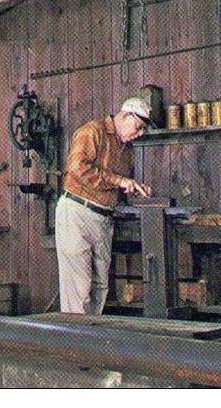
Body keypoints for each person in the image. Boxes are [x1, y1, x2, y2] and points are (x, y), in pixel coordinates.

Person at [56, 96, 153, 314]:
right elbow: (77, 168)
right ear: (126, 115)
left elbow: (115, 182)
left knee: (100, 287)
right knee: (78, 289)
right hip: (77, 213)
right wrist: (120, 181)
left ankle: (89, 342)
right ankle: (75, 345)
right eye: (137, 128)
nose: (138, 135)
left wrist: (133, 187)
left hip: (103, 218)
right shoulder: (93, 131)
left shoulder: (125, 149)